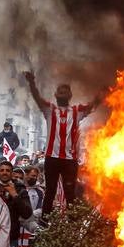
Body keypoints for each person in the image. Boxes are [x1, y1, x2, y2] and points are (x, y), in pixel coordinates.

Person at [23, 70, 101, 215]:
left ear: (70, 95)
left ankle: (72, 222)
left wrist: (105, 88)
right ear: (55, 95)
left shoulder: (77, 111)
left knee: (70, 192)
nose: (62, 94)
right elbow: (37, 97)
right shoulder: (49, 109)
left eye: (65, 92)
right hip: (52, 157)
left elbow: (94, 104)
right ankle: (45, 220)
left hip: (70, 159)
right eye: (60, 91)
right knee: (50, 191)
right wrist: (32, 82)